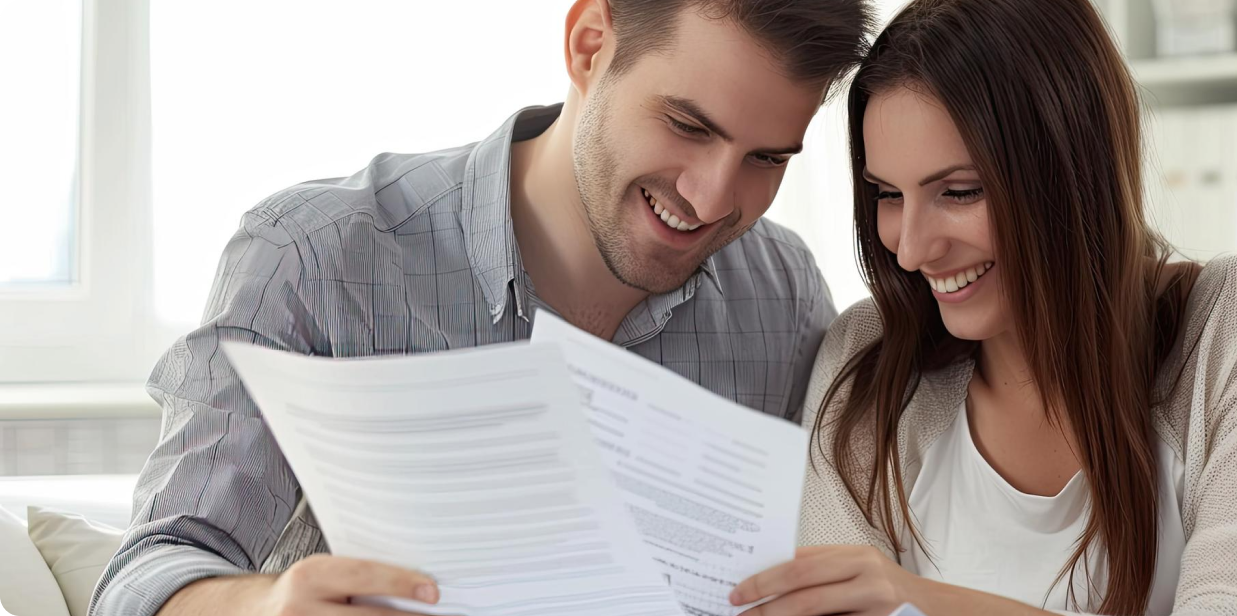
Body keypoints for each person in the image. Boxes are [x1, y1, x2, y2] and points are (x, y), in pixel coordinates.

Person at [91, 1, 876, 614]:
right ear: (588, 44)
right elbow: (143, 576)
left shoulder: (783, 294)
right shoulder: (314, 257)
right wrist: (263, 606)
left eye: (766, 159)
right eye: (687, 125)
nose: (712, 199)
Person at [728, 0, 1237, 614]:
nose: (910, 250)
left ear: (1067, 172)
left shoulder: (1236, 322)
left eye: (958, 192)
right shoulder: (866, 362)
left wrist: (922, 600)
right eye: (888, 194)